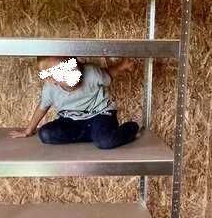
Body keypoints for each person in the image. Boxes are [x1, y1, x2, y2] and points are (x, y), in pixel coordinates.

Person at [9, 56, 141, 149]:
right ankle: (92, 134)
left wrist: (122, 66)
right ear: (51, 79)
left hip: (100, 115)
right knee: (45, 134)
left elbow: (108, 74)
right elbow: (43, 107)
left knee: (106, 142)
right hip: (72, 121)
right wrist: (29, 130)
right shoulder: (50, 89)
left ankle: (132, 127)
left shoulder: (91, 72)